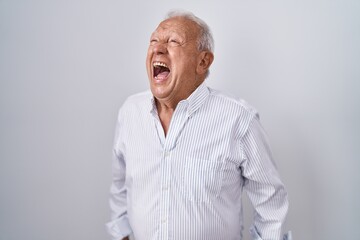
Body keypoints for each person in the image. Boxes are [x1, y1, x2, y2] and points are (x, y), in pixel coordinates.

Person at [106, 10, 290, 240]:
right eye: (153, 40)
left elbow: (271, 203)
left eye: (173, 41)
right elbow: (120, 187)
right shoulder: (130, 112)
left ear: (203, 61)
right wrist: (121, 234)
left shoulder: (239, 120)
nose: (158, 48)